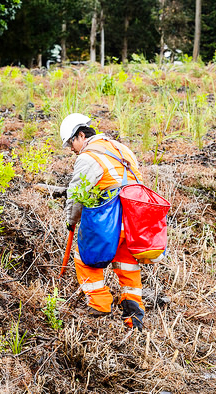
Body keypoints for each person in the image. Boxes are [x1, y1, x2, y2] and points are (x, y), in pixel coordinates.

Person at [61, 113, 146, 330]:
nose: (72, 149)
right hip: (135, 219)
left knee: (84, 255)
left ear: (81, 135)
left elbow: (76, 195)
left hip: (109, 217)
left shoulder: (88, 157)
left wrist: (72, 221)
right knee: (127, 262)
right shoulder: (121, 148)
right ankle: (133, 312)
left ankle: (99, 304)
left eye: (71, 143)